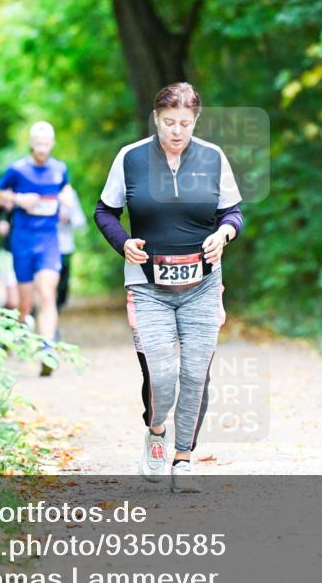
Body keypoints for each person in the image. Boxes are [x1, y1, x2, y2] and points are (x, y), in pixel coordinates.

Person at [94, 82, 243, 492]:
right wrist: (122, 242)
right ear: (156, 119)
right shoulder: (131, 158)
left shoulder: (213, 158)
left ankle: (183, 459)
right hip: (147, 284)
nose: (177, 131)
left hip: (202, 283)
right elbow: (105, 211)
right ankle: (156, 432)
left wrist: (224, 233)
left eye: (185, 123)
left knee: (195, 374)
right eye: (169, 122)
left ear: (196, 121)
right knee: (160, 374)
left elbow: (232, 212)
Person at [0, 121, 73, 375]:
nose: (42, 149)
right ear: (31, 144)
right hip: (22, 241)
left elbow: (65, 189)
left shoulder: (60, 169)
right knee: (24, 304)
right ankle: (11, 338)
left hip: (49, 241)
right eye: (37, 144)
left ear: (52, 143)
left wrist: (67, 198)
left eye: (46, 144)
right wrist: (18, 200)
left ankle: (47, 350)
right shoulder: (17, 170)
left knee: (47, 294)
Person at [56, 183, 87, 312]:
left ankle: (58, 305)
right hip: (42, 245)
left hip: (64, 246)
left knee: (62, 280)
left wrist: (68, 218)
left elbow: (80, 222)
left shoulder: (69, 194)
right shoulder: (37, 189)